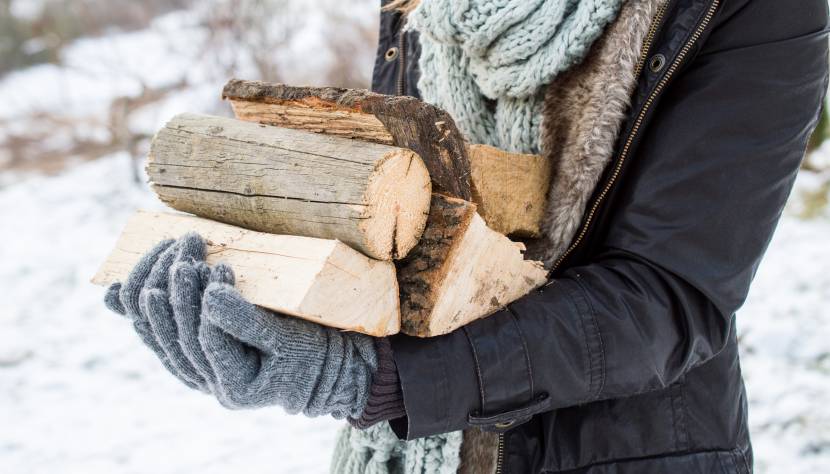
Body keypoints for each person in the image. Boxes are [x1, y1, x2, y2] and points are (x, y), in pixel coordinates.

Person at [104, 0, 830, 472]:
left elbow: (668, 296)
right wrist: (281, 308)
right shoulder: (427, 5)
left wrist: (375, 379)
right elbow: (411, 219)